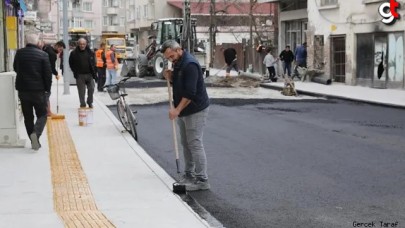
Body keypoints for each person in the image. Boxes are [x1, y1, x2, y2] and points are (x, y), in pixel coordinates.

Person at [162, 40, 210, 191]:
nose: (170, 59)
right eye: (168, 58)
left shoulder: (190, 65)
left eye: (171, 56)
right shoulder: (178, 63)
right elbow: (179, 84)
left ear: (178, 50)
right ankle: (189, 174)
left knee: (194, 143)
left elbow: (190, 93)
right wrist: (170, 77)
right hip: (183, 109)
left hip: (195, 109)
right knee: (185, 143)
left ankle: (202, 180)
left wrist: (176, 110)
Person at [14, 33, 52, 150]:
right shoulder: (43, 55)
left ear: (26, 42)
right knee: (42, 114)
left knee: (28, 116)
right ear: (38, 42)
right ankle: (36, 133)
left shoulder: (19, 53)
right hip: (38, 90)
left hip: (23, 89)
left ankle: (33, 140)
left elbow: (16, 67)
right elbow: (47, 75)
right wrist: (47, 90)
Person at [39, 40, 66, 116]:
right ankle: (48, 112)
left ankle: (46, 111)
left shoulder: (47, 48)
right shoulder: (52, 54)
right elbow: (51, 67)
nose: (60, 52)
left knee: (43, 93)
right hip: (46, 76)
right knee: (47, 93)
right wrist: (56, 74)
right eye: (60, 49)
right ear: (57, 46)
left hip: (40, 74)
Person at [69, 38, 97, 108]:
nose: (82, 45)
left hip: (89, 74)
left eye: (83, 44)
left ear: (86, 44)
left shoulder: (91, 52)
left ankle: (90, 102)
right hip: (80, 75)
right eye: (81, 44)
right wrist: (75, 71)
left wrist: (95, 72)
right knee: (81, 91)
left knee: (91, 88)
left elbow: (94, 63)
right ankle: (82, 103)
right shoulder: (73, 53)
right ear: (78, 44)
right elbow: (71, 63)